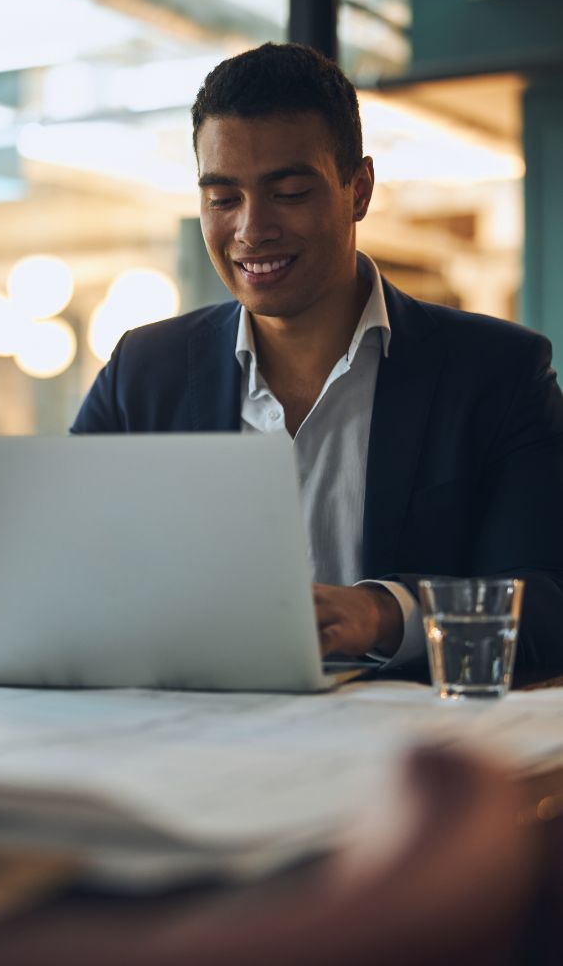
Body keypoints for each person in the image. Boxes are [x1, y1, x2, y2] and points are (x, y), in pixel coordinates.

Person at [71, 42, 563, 677]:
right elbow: (67, 567)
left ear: (357, 189)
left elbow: (549, 602)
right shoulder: (143, 370)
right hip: (185, 745)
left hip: (405, 757)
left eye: (291, 192)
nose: (252, 228)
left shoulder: (496, 372)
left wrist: (384, 615)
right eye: (223, 199)